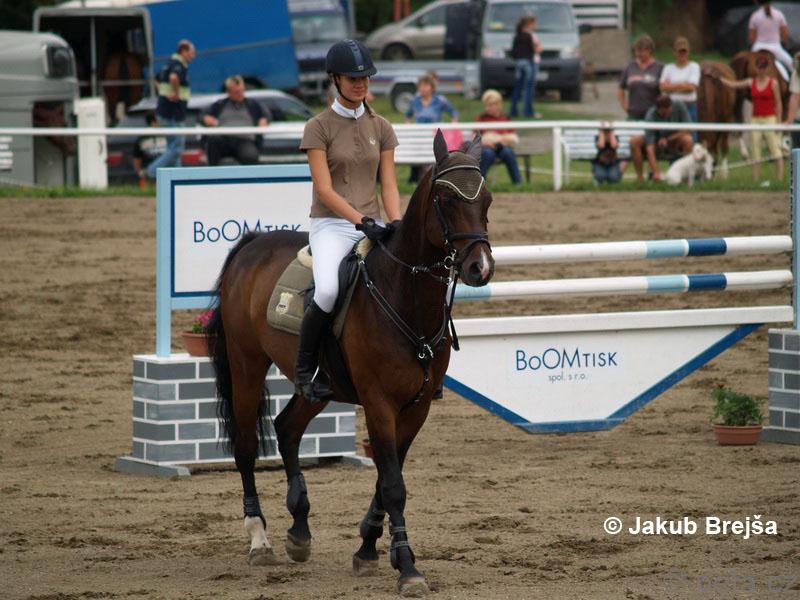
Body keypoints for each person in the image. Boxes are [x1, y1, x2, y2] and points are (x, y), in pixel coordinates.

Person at [295, 39, 402, 402]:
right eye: (352, 78)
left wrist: (395, 221)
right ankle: (305, 371)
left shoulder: (382, 127)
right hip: (332, 225)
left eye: (365, 78)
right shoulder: (318, 127)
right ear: (335, 79)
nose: (360, 84)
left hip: (374, 223)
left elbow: (389, 185)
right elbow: (324, 190)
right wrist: (361, 221)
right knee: (327, 290)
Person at [714, 55, 784, 181]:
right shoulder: (751, 82)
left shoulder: (773, 83)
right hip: (756, 119)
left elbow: (778, 103)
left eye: (764, 67)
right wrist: (720, 79)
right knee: (755, 150)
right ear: (756, 68)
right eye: (759, 67)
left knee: (775, 148)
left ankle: (779, 178)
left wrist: (778, 122)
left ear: (767, 69)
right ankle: (755, 179)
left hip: (770, 118)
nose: (761, 70)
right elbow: (734, 85)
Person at [146, 39, 195, 179]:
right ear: (183, 52)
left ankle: (177, 178)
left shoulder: (168, 63)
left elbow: (156, 79)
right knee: (177, 148)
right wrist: (175, 93)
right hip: (173, 114)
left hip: (165, 112)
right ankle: (151, 172)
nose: (193, 56)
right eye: (192, 53)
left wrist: (164, 93)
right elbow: (174, 78)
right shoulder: (178, 65)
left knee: (172, 148)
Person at [201, 75, 268, 166]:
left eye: (242, 91)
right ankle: (213, 172)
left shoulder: (253, 105)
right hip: (223, 139)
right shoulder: (220, 105)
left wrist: (264, 119)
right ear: (229, 92)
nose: (240, 94)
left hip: (245, 140)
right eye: (236, 92)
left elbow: (266, 115)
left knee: (250, 156)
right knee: (213, 141)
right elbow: (203, 115)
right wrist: (205, 119)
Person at [404, 73, 458, 182]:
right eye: (421, 86)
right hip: (419, 137)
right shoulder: (415, 101)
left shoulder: (440, 100)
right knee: (417, 153)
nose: (423, 88)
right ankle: (417, 178)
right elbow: (408, 115)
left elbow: (454, 113)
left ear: (432, 87)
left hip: (435, 136)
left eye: (426, 85)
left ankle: (432, 177)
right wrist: (408, 126)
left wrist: (453, 124)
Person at [629, 94, 693, 182]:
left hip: (675, 141)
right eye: (663, 113)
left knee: (688, 140)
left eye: (668, 112)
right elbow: (650, 147)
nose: (665, 115)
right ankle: (640, 178)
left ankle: (686, 177)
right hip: (656, 143)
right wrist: (656, 173)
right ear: (658, 109)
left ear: (671, 106)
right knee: (634, 141)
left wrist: (669, 139)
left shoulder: (679, 106)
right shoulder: (650, 115)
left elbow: (688, 129)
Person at [475, 89, 521, 184]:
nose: (487, 108)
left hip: (503, 146)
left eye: (490, 105)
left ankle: (518, 183)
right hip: (486, 148)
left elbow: (513, 138)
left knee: (508, 152)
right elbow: (476, 137)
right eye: (486, 105)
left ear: (498, 105)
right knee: (488, 154)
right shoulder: (481, 118)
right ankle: (480, 184)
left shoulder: (506, 118)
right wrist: (489, 140)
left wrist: (496, 138)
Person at [660, 36, 701, 140]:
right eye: (679, 52)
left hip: (689, 107)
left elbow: (691, 88)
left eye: (684, 52)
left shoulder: (694, 66)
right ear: (674, 52)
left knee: (690, 138)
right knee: (670, 137)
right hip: (671, 109)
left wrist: (671, 87)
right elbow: (662, 88)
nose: (682, 54)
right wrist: (683, 85)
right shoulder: (668, 68)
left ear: (688, 52)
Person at [618, 35, 663, 121]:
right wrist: (625, 107)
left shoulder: (659, 67)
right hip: (633, 114)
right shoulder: (630, 66)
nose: (639, 54)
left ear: (649, 50)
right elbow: (621, 88)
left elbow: (665, 90)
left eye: (642, 51)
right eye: (637, 51)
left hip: (654, 114)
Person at [749, 0, 792, 80]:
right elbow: (785, 34)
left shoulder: (755, 15)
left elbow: (751, 37)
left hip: (758, 47)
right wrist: (784, 41)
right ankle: (789, 82)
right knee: (792, 65)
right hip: (775, 47)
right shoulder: (779, 14)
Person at [509, 15, 542, 118]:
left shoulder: (517, 36)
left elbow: (513, 51)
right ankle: (528, 112)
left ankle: (513, 111)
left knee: (518, 87)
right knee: (529, 89)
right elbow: (534, 49)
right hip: (528, 62)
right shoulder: (529, 36)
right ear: (529, 24)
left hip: (519, 63)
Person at [132, 112, 167, 187]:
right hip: (149, 175)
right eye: (161, 120)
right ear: (153, 122)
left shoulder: (168, 136)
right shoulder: (143, 139)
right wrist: (140, 173)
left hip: (165, 173)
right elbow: (137, 158)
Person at [783, 52, 800, 149]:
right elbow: (795, 97)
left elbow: (795, 97)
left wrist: (789, 120)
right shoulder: (796, 74)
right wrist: (790, 120)